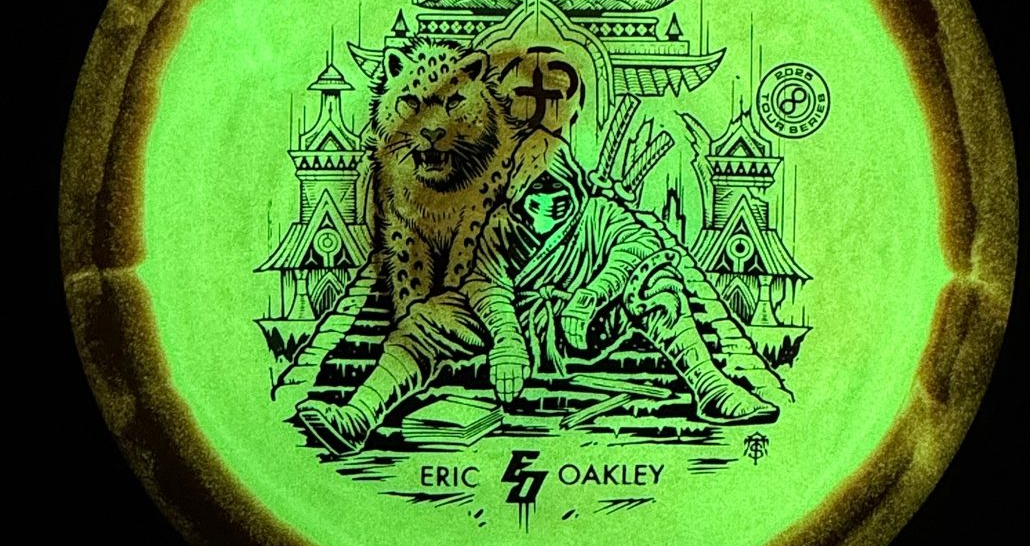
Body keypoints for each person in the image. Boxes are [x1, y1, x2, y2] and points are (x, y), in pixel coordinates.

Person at [297, 129, 787, 453]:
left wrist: (591, 296)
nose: (548, 207)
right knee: (429, 317)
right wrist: (507, 340)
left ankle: (711, 386)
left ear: (577, 190)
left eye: (559, 196)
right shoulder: (501, 226)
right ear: (519, 194)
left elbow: (639, 245)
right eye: (537, 195)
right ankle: (359, 414)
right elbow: (487, 281)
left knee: (657, 284)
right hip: (522, 326)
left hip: (588, 326)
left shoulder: (601, 216)